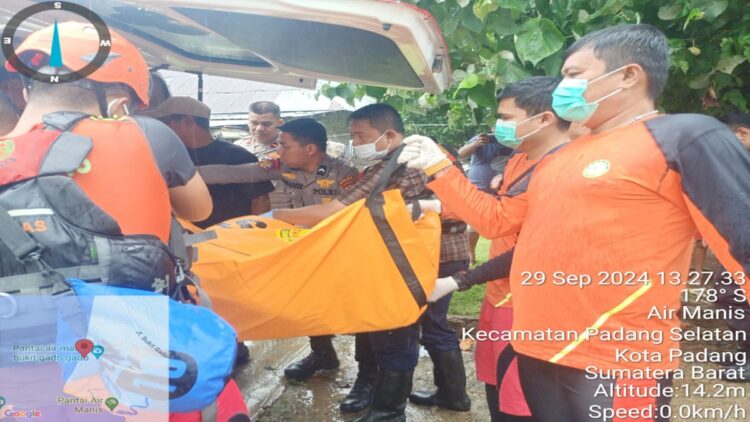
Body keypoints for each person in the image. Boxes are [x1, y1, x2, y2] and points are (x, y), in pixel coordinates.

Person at [398, 24, 750, 422]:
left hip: (616, 357)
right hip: (537, 347)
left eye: (573, 74)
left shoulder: (682, 136)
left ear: (629, 75)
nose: (562, 85)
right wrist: (439, 170)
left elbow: (743, 244)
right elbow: (499, 222)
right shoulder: (561, 157)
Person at [1, 21, 249, 422]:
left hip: (18, 362)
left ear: (26, 89)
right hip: (132, 351)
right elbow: (200, 210)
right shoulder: (147, 135)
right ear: (117, 102)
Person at [273, 103, 472, 422]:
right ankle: (453, 396)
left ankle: (389, 412)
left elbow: (335, 210)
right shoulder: (420, 155)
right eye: (352, 136)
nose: (356, 142)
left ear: (389, 134)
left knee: (396, 330)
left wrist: (273, 217)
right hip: (443, 254)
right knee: (434, 327)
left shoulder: (399, 165)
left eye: (360, 135)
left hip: (424, 259)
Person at [197, 117, 362, 385]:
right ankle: (322, 354)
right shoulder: (278, 164)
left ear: (309, 149)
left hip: (334, 248)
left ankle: (368, 371)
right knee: (308, 302)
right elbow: (232, 173)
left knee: (348, 303)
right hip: (296, 248)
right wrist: (184, 175)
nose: (279, 151)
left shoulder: (345, 175)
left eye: (284, 145)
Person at [445, 76, 571, 422]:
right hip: (500, 294)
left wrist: (440, 170)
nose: (499, 126)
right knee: (496, 387)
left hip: (529, 302)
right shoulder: (520, 158)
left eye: (507, 117)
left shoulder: (562, 169)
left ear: (545, 118)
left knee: (521, 401)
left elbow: (498, 224)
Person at [146, 96, 274, 228]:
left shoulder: (237, 157)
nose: (160, 128)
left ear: (187, 122)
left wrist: (254, 237)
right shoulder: (170, 157)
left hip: (230, 241)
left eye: (164, 123)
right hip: (186, 240)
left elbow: (260, 201)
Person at [458, 132, 513, 264]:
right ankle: (471, 255)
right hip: (479, 191)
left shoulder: (516, 139)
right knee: (474, 225)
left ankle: (501, 256)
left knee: (505, 226)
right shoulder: (482, 138)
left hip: (506, 191)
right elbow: (460, 154)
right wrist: (476, 144)